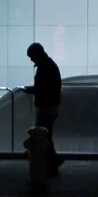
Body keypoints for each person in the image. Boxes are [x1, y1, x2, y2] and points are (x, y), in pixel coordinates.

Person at [25, 41, 63, 174]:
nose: (31, 59)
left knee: (42, 137)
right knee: (46, 136)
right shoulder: (49, 65)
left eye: (31, 56)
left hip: (46, 107)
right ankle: (52, 162)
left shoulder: (45, 67)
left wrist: (28, 90)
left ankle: (53, 162)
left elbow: (42, 89)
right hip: (51, 106)